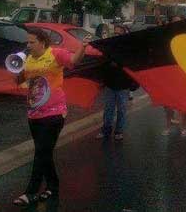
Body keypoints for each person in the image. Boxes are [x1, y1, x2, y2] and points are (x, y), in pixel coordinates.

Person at [12, 27, 89, 206]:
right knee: (44, 153)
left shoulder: (55, 53)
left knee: (41, 152)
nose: (28, 45)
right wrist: (16, 67)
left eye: (32, 42)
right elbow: (19, 81)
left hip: (54, 112)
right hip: (34, 112)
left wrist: (82, 48)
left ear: (43, 42)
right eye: (27, 42)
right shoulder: (28, 59)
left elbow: (73, 61)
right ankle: (53, 187)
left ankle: (30, 193)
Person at [96, 25, 137, 141]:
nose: (116, 35)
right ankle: (106, 131)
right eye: (114, 33)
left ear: (123, 34)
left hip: (123, 86)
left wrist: (118, 64)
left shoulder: (127, 49)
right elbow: (103, 63)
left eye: (118, 33)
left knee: (122, 109)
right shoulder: (109, 47)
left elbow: (130, 65)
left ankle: (119, 131)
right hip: (110, 84)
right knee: (108, 109)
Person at [162, 15, 186, 137]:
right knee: (167, 104)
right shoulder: (166, 37)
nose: (176, 24)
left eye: (179, 22)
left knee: (183, 104)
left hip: (183, 76)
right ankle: (168, 126)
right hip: (169, 76)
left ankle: (183, 127)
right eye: (174, 22)